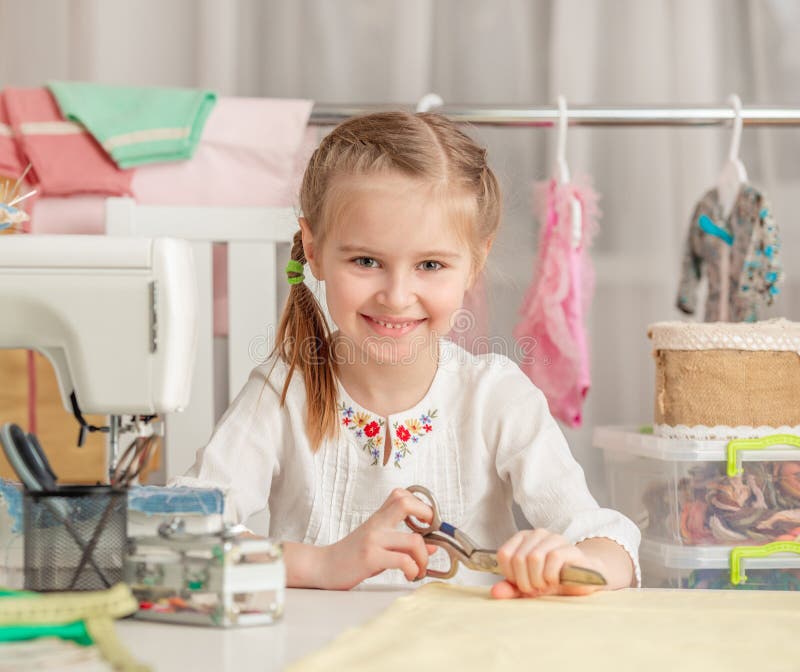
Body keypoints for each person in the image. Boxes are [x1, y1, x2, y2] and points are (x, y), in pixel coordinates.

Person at [174, 111, 640, 598]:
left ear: (475, 262)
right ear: (313, 249)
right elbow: (178, 531)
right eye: (366, 261)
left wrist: (578, 561)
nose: (396, 296)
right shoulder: (282, 392)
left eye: (430, 265)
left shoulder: (496, 397)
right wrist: (322, 563)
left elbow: (609, 542)